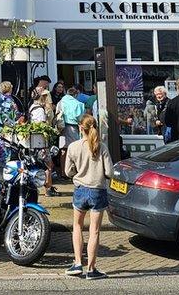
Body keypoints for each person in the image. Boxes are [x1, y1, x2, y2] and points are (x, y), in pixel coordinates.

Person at [64, 114, 113, 281]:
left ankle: (78, 263)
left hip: (80, 189)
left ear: (80, 128)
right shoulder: (102, 147)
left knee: (77, 226)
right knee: (95, 230)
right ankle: (91, 269)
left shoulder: (73, 147)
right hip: (98, 191)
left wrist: (78, 172)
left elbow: (67, 172)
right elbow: (109, 172)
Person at [26, 89, 58, 196]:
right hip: (41, 142)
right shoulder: (39, 110)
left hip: (34, 142)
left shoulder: (31, 107)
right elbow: (42, 126)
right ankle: (48, 188)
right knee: (48, 165)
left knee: (38, 164)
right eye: (44, 97)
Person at [0, 81, 21, 163]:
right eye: (11, 86)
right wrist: (15, 123)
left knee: (2, 150)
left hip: (1, 130)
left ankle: (2, 170)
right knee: (7, 152)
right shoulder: (6, 100)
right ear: (8, 88)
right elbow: (5, 117)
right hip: (7, 130)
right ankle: (6, 171)